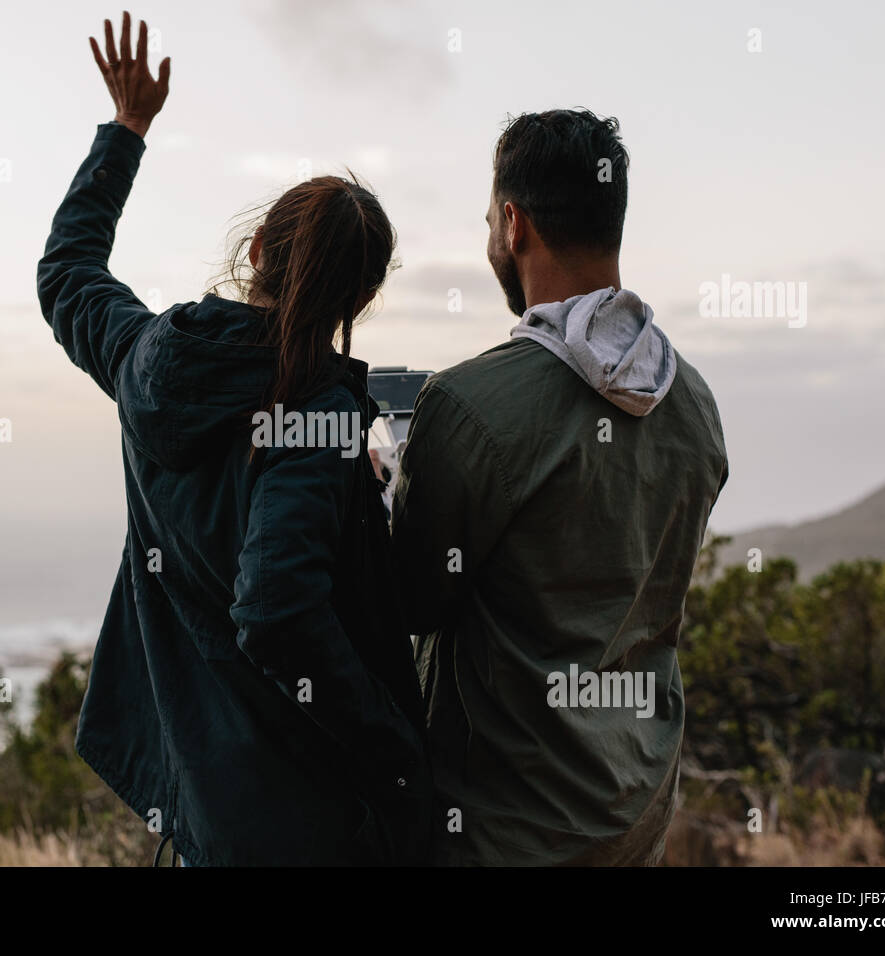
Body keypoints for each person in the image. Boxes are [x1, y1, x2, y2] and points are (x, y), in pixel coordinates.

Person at [37, 12, 431, 866]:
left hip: (201, 811)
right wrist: (398, 753)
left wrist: (126, 130)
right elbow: (277, 607)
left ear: (254, 250)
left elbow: (67, 271)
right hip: (311, 824)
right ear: (357, 302)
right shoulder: (315, 414)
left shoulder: (149, 357)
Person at [389, 109, 729, 865]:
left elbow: (411, 601)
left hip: (499, 826)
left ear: (513, 224)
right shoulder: (696, 405)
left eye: (488, 220)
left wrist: (390, 488)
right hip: (634, 809)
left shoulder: (469, 404)